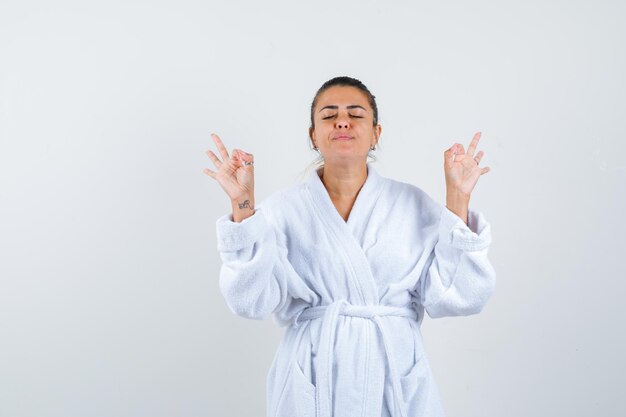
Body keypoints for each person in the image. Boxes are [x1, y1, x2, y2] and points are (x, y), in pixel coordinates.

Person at [203, 76, 496, 417]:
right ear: (313, 135)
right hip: (313, 374)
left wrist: (458, 198)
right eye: (329, 115)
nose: (342, 121)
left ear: (376, 133)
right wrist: (243, 206)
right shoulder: (282, 210)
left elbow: (459, 296)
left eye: (355, 114)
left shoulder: (413, 205)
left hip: (394, 376)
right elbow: (249, 301)